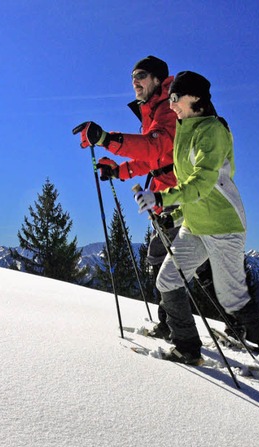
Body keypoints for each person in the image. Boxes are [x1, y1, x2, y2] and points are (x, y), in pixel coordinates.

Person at [133, 71, 259, 384]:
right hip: (195, 226)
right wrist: (175, 215)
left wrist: (162, 196)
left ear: (193, 98)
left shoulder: (212, 131)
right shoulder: (184, 128)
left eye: (175, 98)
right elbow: (190, 186)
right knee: (167, 280)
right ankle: (187, 348)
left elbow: (204, 183)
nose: (171, 105)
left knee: (233, 299)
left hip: (223, 227)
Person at [72, 55, 178, 338]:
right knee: (163, 260)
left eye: (141, 75)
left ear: (157, 79)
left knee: (176, 265)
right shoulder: (152, 111)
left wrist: (106, 139)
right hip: (163, 200)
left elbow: (154, 149)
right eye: (132, 76)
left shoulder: (169, 109)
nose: (135, 81)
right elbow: (153, 160)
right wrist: (119, 171)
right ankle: (171, 325)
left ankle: (182, 330)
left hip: (180, 200)